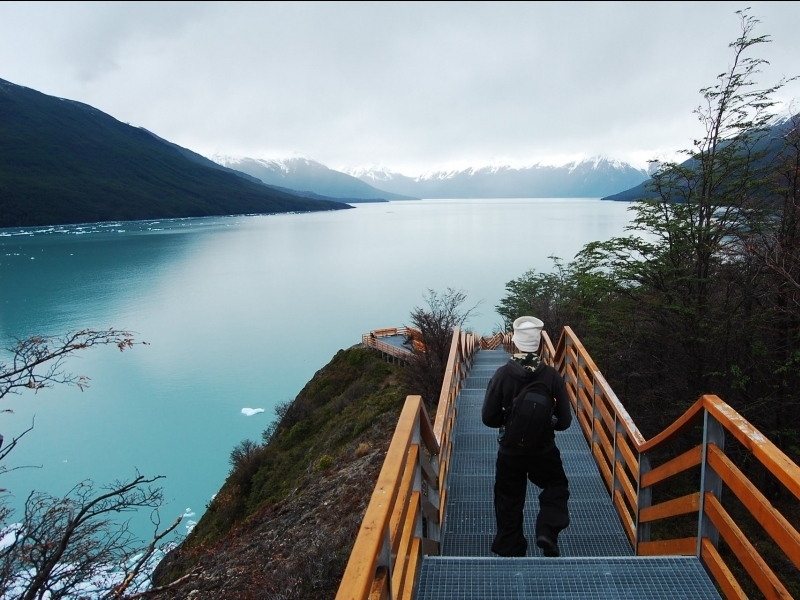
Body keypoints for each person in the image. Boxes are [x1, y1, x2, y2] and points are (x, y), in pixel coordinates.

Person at [481, 316, 572, 557]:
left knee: (508, 498)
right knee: (556, 485)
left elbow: (488, 418)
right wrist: (545, 421)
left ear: (516, 343)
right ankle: (547, 531)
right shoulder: (552, 377)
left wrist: (510, 421)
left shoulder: (501, 376)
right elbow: (565, 422)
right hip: (543, 449)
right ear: (540, 345)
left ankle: (511, 547)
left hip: (510, 450)